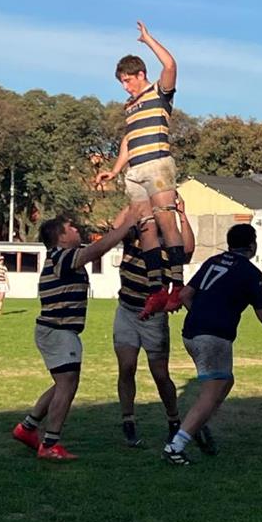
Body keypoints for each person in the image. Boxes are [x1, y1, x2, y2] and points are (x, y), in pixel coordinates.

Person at [11, 205, 141, 461]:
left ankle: (27, 428)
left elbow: (105, 241)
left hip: (59, 331)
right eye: (70, 228)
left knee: (63, 383)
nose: (76, 229)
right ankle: (50, 444)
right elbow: (99, 249)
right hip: (58, 330)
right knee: (68, 384)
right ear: (60, 237)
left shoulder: (66, 255)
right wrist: (129, 225)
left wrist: (128, 214)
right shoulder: (62, 256)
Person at [162, 223, 262, 465]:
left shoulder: (212, 261)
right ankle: (176, 445)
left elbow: (185, 294)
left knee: (225, 381)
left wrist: (199, 314)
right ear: (252, 245)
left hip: (191, 331)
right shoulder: (251, 273)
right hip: (214, 336)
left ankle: (198, 424)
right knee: (212, 391)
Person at [94, 21, 187, 319]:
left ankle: (177, 287)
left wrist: (148, 40)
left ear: (140, 75)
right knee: (145, 227)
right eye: (121, 82)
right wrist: (115, 169)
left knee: (166, 221)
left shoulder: (159, 93)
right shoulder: (130, 106)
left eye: (127, 80)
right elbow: (128, 140)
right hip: (134, 171)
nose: (125, 86)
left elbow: (171, 64)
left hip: (157, 164)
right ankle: (156, 290)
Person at [114, 197, 195, 448]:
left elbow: (188, 250)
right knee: (126, 367)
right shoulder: (138, 235)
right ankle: (128, 420)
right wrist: (135, 200)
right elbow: (116, 229)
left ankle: (173, 420)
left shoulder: (170, 247)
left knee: (160, 373)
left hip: (154, 316)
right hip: (127, 309)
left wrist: (181, 215)